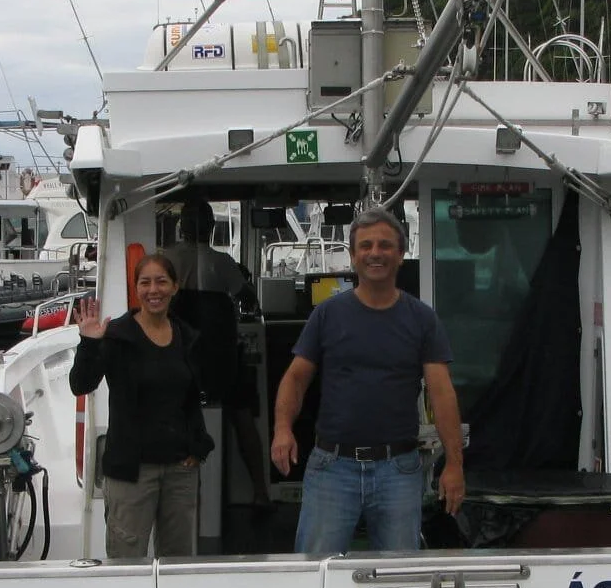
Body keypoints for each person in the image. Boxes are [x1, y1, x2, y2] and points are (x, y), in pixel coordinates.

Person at [271, 206, 464, 556]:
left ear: (401, 255)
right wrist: (283, 429)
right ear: (353, 255)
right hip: (332, 468)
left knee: (399, 579)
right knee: (317, 575)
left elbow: (442, 394)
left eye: (385, 245)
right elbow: (295, 379)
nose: (376, 253)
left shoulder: (422, 319)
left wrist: (454, 464)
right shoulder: (326, 314)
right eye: (366, 246)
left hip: (400, 470)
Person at [69, 253, 216, 560]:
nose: (154, 290)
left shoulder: (187, 336)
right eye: (145, 282)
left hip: (180, 471)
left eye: (162, 281)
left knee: (177, 561)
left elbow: (191, 399)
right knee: (126, 559)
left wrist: (199, 445)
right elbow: (81, 384)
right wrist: (89, 342)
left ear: (175, 287)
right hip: (131, 473)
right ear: (136, 289)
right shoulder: (118, 335)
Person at [164, 197, 271, 507]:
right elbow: (248, 298)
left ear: (181, 227)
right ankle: (261, 493)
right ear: (211, 227)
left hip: (179, 362)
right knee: (243, 415)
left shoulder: (166, 258)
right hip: (220, 365)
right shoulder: (222, 263)